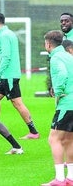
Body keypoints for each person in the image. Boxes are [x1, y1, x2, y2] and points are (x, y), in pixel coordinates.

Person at [0, 12, 40, 139]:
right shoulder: (9, 33)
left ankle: (33, 132)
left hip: (8, 77)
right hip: (7, 76)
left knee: (17, 103)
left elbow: (6, 58)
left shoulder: (4, 36)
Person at [41, 30, 73, 186]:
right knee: (68, 139)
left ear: (48, 43)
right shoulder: (68, 56)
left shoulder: (56, 57)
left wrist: (58, 91)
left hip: (67, 104)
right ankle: (71, 178)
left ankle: (60, 179)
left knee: (54, 139)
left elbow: (61, 74)